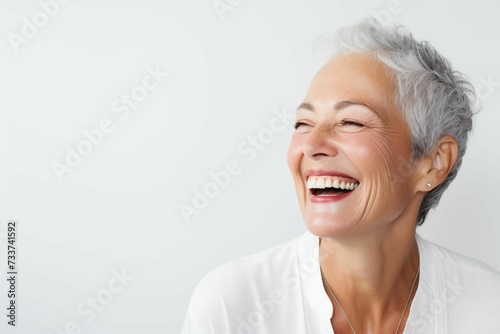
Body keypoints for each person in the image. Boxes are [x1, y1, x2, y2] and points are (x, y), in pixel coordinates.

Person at [181, 18, 500, 334]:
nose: (311, 145)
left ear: (434, 162)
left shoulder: (488, 305)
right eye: (303, 123)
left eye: (351, 122)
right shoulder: (232, 304)